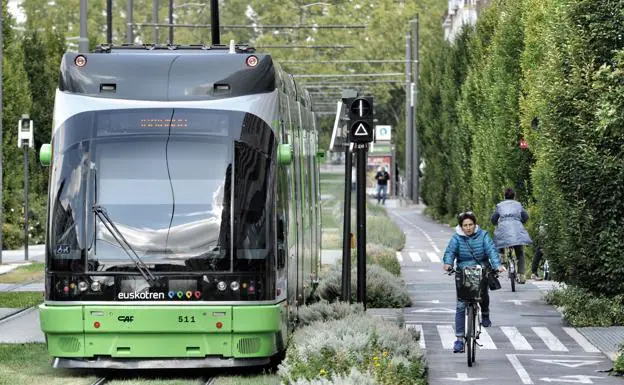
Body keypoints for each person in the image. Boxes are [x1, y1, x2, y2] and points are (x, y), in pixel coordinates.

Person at [443, 211, 505, 354]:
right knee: (460, 305)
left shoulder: (483, 236)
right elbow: (450, 252)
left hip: (481, 269)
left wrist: (497, 265)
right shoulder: (456, 238)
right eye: (465, 225)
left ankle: (485, 313)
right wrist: (448, 263)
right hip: (463, 272)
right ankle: (459, 340)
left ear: (475, 225)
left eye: (471, 224)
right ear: (461, 226)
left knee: (483, 294)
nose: (468, 227)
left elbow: (491, 251)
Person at [491, 187, 532, 284]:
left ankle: (502, 256)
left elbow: (493, 219)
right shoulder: (518, 205)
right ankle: (522, 275)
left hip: (503, 229)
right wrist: (520, 221)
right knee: (520, 252)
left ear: (504, 196)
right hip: (516, 230)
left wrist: (496, 223)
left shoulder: (499, 205)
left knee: (499, 239)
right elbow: (525, 217)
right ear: (514, 196)